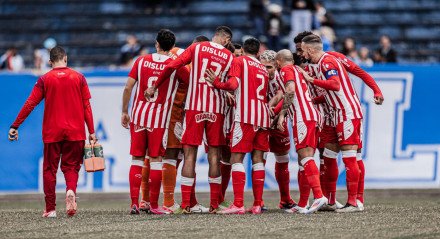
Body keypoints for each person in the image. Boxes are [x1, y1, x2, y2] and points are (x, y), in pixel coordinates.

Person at [146, 26, 234, 214]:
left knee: (189, 155)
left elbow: (171, 66)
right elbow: (233, 84)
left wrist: (154, 86)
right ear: (226, 40)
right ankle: (214, 204)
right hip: (215, 108)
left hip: (194, 107)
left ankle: (186, 204)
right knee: (214, 157)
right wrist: (219, 85)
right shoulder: (228, 56)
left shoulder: (197, 48)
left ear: (214, 36)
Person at [294, 31, 384, 211]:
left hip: (347, 112)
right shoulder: (316, 62)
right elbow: (329, 91)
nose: (300, 55)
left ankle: (355, 201)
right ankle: (330, 200)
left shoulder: (329, 60)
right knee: (328, 156)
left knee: (352, 156)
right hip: (332, 114)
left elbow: (341, 81)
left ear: (310, 49)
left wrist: (376, 90)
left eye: (301, 50)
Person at [8, 46, 96, 218]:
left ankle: (50, 209)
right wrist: (91, 131)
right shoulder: (79, 78)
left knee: (50, 169)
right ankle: (70, 190)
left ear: (49, 62)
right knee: (71, 167)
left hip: (52, 131)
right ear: (66, 58)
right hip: (76, 131)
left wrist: (15, 125)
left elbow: (30, 104)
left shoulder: (45, 79)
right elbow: (87, 106)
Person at [121, 29, 190, 215]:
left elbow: (128, 87)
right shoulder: (175, 65)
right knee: (156, 160)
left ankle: (135, 203)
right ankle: (153, 205)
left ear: (156, 44)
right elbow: (190, 82)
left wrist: (124, 111)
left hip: (139, 116)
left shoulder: (141, 60)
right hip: (159, 120)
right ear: (172, 47)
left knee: (136, 158)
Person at [205, 37, 271, 215]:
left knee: (236, 159)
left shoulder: (239, 61)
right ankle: (257, 204)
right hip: (263, 116)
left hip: (246, 116)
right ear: (258, 52)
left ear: (244, 50)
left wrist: (217, 83)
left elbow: (233, 84)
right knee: (258, 160)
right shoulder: (263, 68)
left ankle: (239, 203)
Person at [159, 35, 211, 214]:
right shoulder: (182, 56)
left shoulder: (184, 55)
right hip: (176, 111)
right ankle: (167, 202)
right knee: (172, 154)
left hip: (184, 112)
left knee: (184, 155)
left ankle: (190, 201)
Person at [273, 49, 328, 214]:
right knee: (306, 160)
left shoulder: (286, 69)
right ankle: (303, 204)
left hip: (302, 117)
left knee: (305, 158)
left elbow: (289, 91)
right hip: (313, 115)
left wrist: (282, 114)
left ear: (278, 62)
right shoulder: (298, 69)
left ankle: (319, 196)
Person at [261, 50, 296, 210]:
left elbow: (287, 96)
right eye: (263, 67)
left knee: (283, 159)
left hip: (278, 123)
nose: (265, 70)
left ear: (276, 65)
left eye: (269, 67)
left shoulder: (283, 77)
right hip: (261, 123)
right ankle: (258, 202)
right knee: (258, 160)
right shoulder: (256, 76)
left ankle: (285, 199)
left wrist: (274, 112)